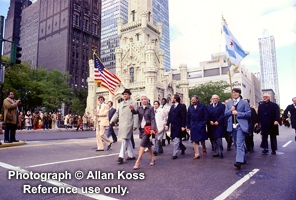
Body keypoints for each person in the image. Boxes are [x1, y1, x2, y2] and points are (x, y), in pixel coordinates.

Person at [225, 88, 251, 169]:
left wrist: (238, 113)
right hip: (232, 126)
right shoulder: (229, 103)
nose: (234, 94)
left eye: (236, 92)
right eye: (233, 92)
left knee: (239, 142)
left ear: (239, 93)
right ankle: (243, 158)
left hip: (240, 125)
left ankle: (238, 161)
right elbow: (225, 114)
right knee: (236, 143)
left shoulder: (244, 103)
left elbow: (248, 114)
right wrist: (230, 110)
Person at [110, 89, 138, 164]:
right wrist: (112, 120)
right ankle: (131, 155)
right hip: (122, 124)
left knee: (124, 139)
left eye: (126, 94)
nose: (125, 95)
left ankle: (121, 156)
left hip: (129, 123)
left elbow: (135, 114)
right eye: (124, 94)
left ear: (129, 95)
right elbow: (117, 113)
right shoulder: (121, 103)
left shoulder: (134, 102)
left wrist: (135, 125)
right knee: (127, 139)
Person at [130, 94, 157, 169]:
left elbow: (152, 119)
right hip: (141, 129)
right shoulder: (139, 108)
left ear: (147, 100)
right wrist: (132, 109)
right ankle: (153, 158)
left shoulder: (151, 108)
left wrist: (152, 129)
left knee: (142, 145)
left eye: (145, 99)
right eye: (142, 99)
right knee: (148, 145)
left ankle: (138, 162)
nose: (144, 100)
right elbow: (135, 113)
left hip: (148, 129)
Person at [165, 94, 187, 160]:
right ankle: (183, 148)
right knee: (176, 139)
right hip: (173, 126)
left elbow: (184, 117)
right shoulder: (172, 107)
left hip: (179, 126)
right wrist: (167, 124)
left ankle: (174, 154)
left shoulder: (182, 106)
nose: (171, 100)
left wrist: (183, 126)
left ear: (175, 99)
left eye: (172, 98)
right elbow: (170, 116)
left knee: (176, 140)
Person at [187, 95, 208, 159]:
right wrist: (188, 126)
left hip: (201, 124)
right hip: (193, 125)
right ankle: (197, 154)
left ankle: (204, 149)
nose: (192, 101)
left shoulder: (202, 106)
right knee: (194, 140)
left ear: (197, 100)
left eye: (194, 100)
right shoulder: (190, 107)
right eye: (192, 100)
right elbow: (188, 117)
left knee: (202, 140)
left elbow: (206, 116)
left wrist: (204, 123)